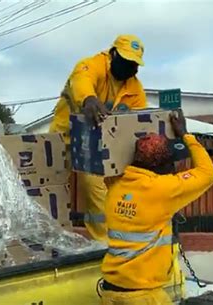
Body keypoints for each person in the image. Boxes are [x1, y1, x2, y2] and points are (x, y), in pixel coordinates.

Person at [99, 111, 213, 305]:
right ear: (164, 166)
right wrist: (185, 135)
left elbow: (112, 160)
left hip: (111, 291)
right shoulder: (162, 189)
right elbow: (208, 173)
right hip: (142, 297)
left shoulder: (115, 185)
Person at [49, 34, 148, 241]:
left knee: (95, 188)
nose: (131, 68)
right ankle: (49, 233)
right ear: (112, 54)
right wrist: (89, 99)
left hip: (97, 144)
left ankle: (103, 241)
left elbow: (139, 120)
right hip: (64, 136)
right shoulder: (90, 65)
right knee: (52, 184)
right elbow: (82, 81)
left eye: (135, 64)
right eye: (126, 61)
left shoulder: (135, 89)